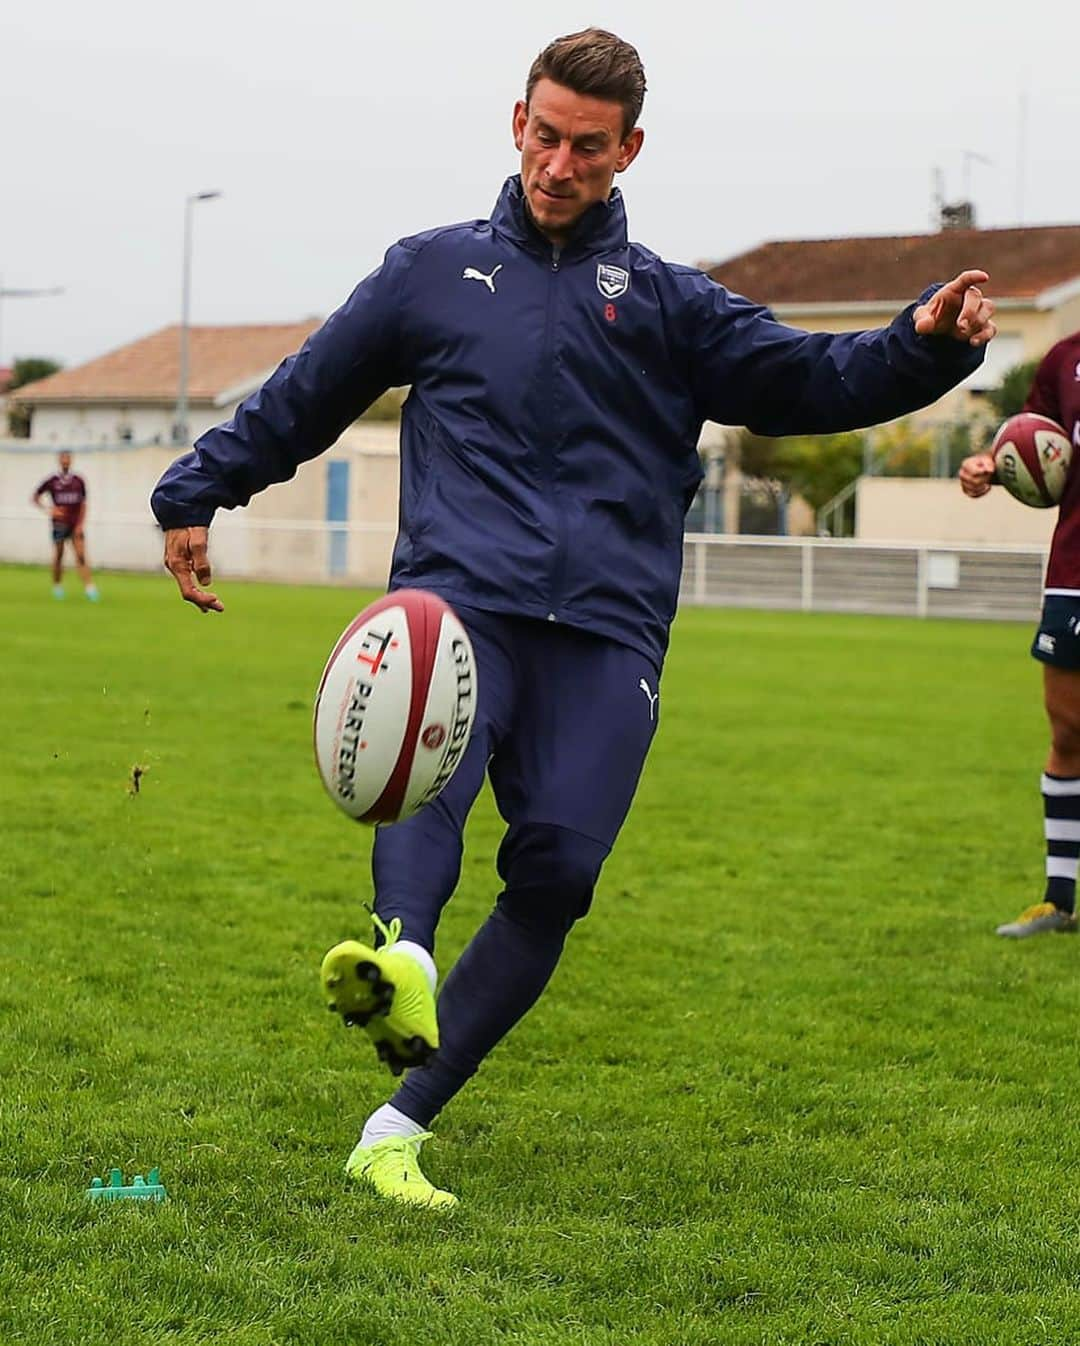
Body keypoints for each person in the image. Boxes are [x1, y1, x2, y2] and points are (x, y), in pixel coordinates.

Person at [152, 28, 996, 1209]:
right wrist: (196, 488)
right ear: (516, 123)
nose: (558, 163)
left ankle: (394, 1123)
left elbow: (817, 380)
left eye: (587, 146)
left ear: (628, 151)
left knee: (557, 874)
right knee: (426, 775)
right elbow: (304, 393)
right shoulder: (428, 272)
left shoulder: (671, 305)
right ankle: (401, 952)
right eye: (543, 135)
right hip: (459, 593)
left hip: (607, 626)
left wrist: (923, 346)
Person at [960, 330, 1080, 938]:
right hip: (1073, 572)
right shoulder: (1066, 358)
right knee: (1066, 731)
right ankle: (1059, 902)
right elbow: (1038, 448)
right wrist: (993, 468)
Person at [32, 450, 100, 601]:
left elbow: (83, 504)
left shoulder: (78, 481)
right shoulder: (52, 481)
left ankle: (90, 588)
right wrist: (50, 510)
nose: (65, 462)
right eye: (63, 459)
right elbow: (35, 497)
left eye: (68, 459)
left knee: (81, 555)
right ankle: (57, 586)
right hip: (59, 524)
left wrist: (81, 524)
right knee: (59, 556)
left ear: (71, 461)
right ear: (59, 460)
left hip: (75, 524)